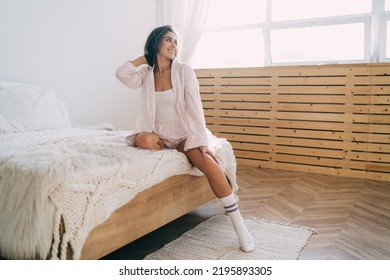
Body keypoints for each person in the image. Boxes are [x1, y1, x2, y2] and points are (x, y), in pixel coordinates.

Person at [115, 25, 255, 252]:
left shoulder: (183, 70)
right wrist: (145, 57)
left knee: (207, 162)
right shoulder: (146, 74)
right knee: (143, 140)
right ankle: (167, 150)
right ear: (156, 43)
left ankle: (240, 226)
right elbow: (121, 74)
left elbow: (195, 108)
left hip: (182, 133)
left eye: (176, 42)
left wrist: (200, 141)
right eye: (168, 40)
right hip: (158, 133)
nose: (174, 45)